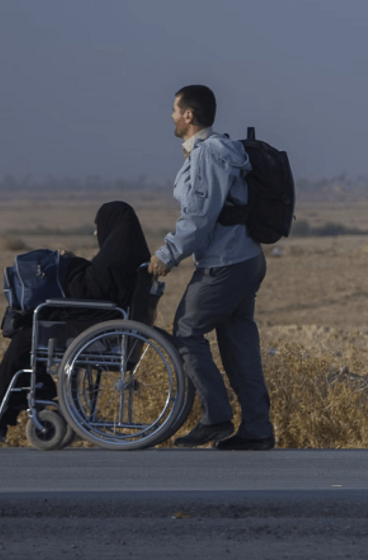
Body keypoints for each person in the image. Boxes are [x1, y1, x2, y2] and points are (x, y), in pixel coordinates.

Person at [148, 84, 273, 451]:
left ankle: (216, 418)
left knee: (186, 331)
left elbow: (200, 218)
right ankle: (257, 430)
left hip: (226, 264)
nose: (171, 115)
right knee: (239, 346)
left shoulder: (208, 155)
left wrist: (166, 254)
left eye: (174, 109)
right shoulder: (215, 151)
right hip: (245, 258)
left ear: (188, 115)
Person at [0, 201, 150, 443]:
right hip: (100, 327)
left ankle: (24, 399)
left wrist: (68, 266)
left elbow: (86, 290)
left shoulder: (113, 259)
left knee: (23, 338)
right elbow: (94, 285)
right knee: (27, 331)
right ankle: (36, 391)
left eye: (98, 226)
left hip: (94, 332)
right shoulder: (127, 254)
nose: (95, 232)